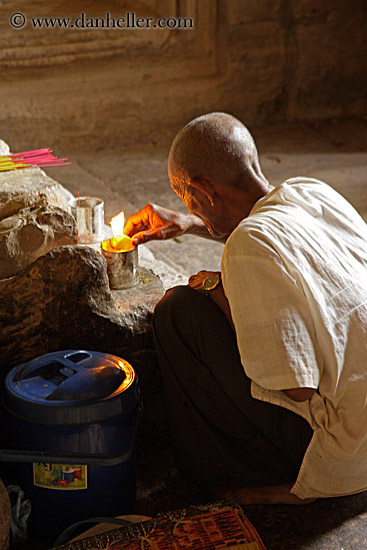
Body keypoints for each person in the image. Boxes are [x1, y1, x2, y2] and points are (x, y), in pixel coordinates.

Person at [125, 112, 367, 504]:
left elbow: (298, 387)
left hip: (347, 447)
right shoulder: (311, 191)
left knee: (178, 311)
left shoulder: (247, 247)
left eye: (190, 200)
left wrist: (220, 292)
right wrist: (190, 222)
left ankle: (214, 467)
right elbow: (267, 232)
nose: (193, 209)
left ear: (205, 192)